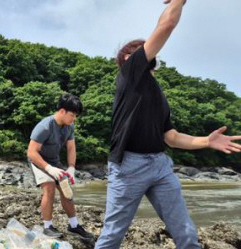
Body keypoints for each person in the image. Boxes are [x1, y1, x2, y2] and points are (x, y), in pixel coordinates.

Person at [95, 1, 241, 248]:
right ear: (129, 58)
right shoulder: (130, 73)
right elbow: (167, 25)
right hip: (129, 165)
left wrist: (206, 141)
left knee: (185, 232)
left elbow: (170, 136)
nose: (152, 52)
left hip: (160, 165)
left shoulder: (156, 91)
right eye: (144, 49)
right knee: (112, 235)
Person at [27, 94, 93, 241]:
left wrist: (71, 168)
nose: (74, 118)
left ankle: (74, 226)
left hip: (54, 161)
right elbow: (31, 152)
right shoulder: (44, 126)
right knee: (49, 187)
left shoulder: (69, 126)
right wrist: (49, 169)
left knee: (66, 189)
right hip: (38, 160)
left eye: (76, 115)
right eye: (72, 115)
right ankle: (47, 226)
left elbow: (71, 148)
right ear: (62, 111)